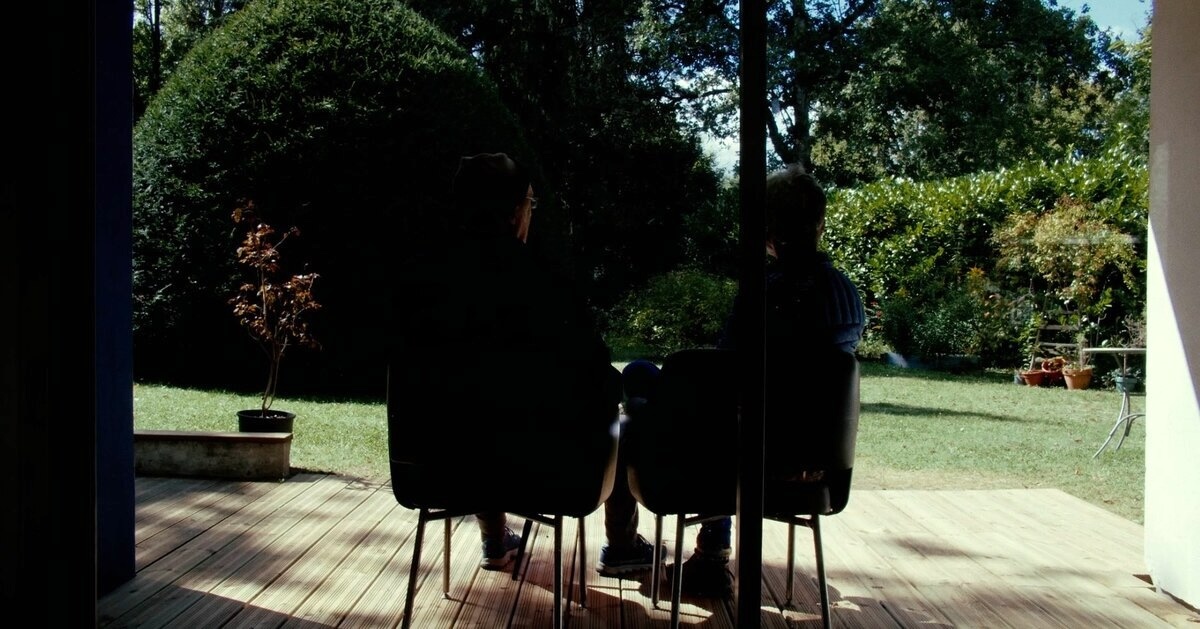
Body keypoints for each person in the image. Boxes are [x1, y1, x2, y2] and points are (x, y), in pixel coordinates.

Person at [598, 163, 865, 596]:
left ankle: (662, 548)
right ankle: (704, 554)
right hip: (812, 463)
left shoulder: (763, 294)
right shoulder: (846, 294)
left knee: (639, 385)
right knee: (657, 381)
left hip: (738, 459)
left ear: (767, 229)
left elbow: (721, 382)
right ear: (819, 223)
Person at [391, 153, 621, 571]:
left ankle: (494, 539)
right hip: (543, 476)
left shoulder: (418, 282)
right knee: (612, 418)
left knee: (474, 417)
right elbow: (598, 380)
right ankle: (621, 544)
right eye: (531, 203)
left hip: (437, 471)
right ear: (517, 211)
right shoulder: (548, 284)